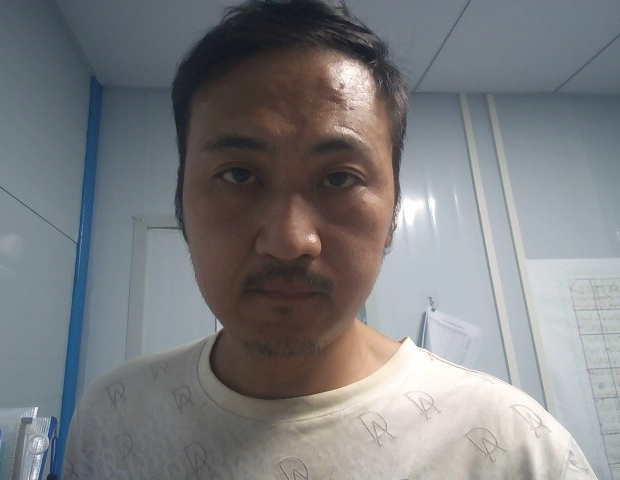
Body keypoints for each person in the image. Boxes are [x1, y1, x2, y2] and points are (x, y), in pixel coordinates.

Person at [64, 0, 597, 478]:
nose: (290, 240)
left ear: (394, 209)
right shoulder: (112, 414)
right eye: (239, 174)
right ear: (181, 196)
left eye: (339, 178)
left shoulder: (517, 450)